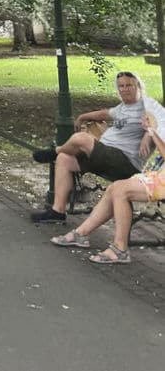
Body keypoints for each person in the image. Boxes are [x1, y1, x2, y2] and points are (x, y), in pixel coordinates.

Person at [49, 104, 165, 263]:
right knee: (114, 189)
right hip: (157, 175)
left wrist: (152, 132)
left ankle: (120, 248)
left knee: (120, 190)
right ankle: (81, 234)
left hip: (160, 179)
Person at [30, 71, 151, 223]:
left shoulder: (147, 106)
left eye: (129, 85)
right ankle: (57, 211)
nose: (125, 89)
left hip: (125, 162)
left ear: (138, 86)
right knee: (64, 159)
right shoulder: (122, 108)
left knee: (81, 139)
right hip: (105, 157)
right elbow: (104, 114)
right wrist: (83, 117)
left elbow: (160, 122)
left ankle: (54, 151)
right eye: (121, 86)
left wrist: (148, 135)